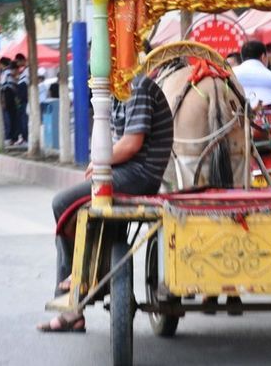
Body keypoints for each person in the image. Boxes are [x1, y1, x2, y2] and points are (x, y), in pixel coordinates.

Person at [38, 73, 174, 333]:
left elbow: (132, 144)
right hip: (126, 171)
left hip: (139, 174)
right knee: (75, 206)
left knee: (62, 202)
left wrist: (101, 160)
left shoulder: (138, 86)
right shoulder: (117, 90)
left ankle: (76, 280)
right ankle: (79, 283)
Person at [232, 40, 271, 113]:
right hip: (266, 122)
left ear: (242, 57)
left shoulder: (231, 75)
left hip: (235, 121)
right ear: (263, 57)